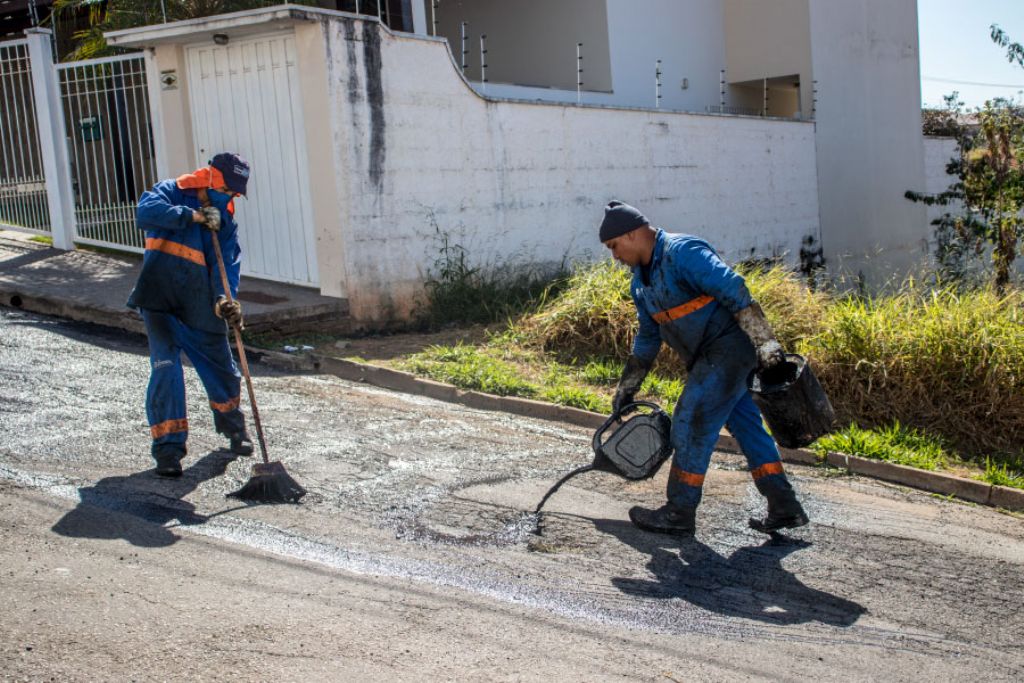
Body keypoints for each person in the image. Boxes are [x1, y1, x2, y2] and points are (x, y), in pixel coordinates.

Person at [600, 200, 809, 536]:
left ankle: (679, 512)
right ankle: (784, 505)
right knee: (747, 428)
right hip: (708, 360)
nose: (614, 256)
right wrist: (628, 387)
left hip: (729, 350)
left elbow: (734, 288)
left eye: (615, 246)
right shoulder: (641, 285)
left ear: (634, 233)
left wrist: (766, 344)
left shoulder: (683, 253)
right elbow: (648, 337)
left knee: (691, 420)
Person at [127, 152, 253, 477]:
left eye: (235, 192)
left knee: (223, 371)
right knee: (166, 370)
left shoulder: (225, 222)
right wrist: (193, 217)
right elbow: (145, 213)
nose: (230, 196)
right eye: (227, 188)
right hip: (160, 301)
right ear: (209, 176)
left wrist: (223, 300)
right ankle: (168, 450)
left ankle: (234, 427)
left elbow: (226, 266)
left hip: (198, 305)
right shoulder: (170, 191)